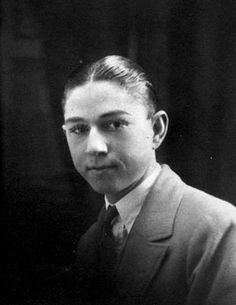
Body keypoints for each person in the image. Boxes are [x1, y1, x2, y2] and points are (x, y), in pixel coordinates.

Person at [62, 55, 236, 305]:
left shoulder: (217, 229)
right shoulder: (91, 243)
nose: (94, 147)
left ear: (156, 130)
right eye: (78, 129)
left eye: (114, 124)